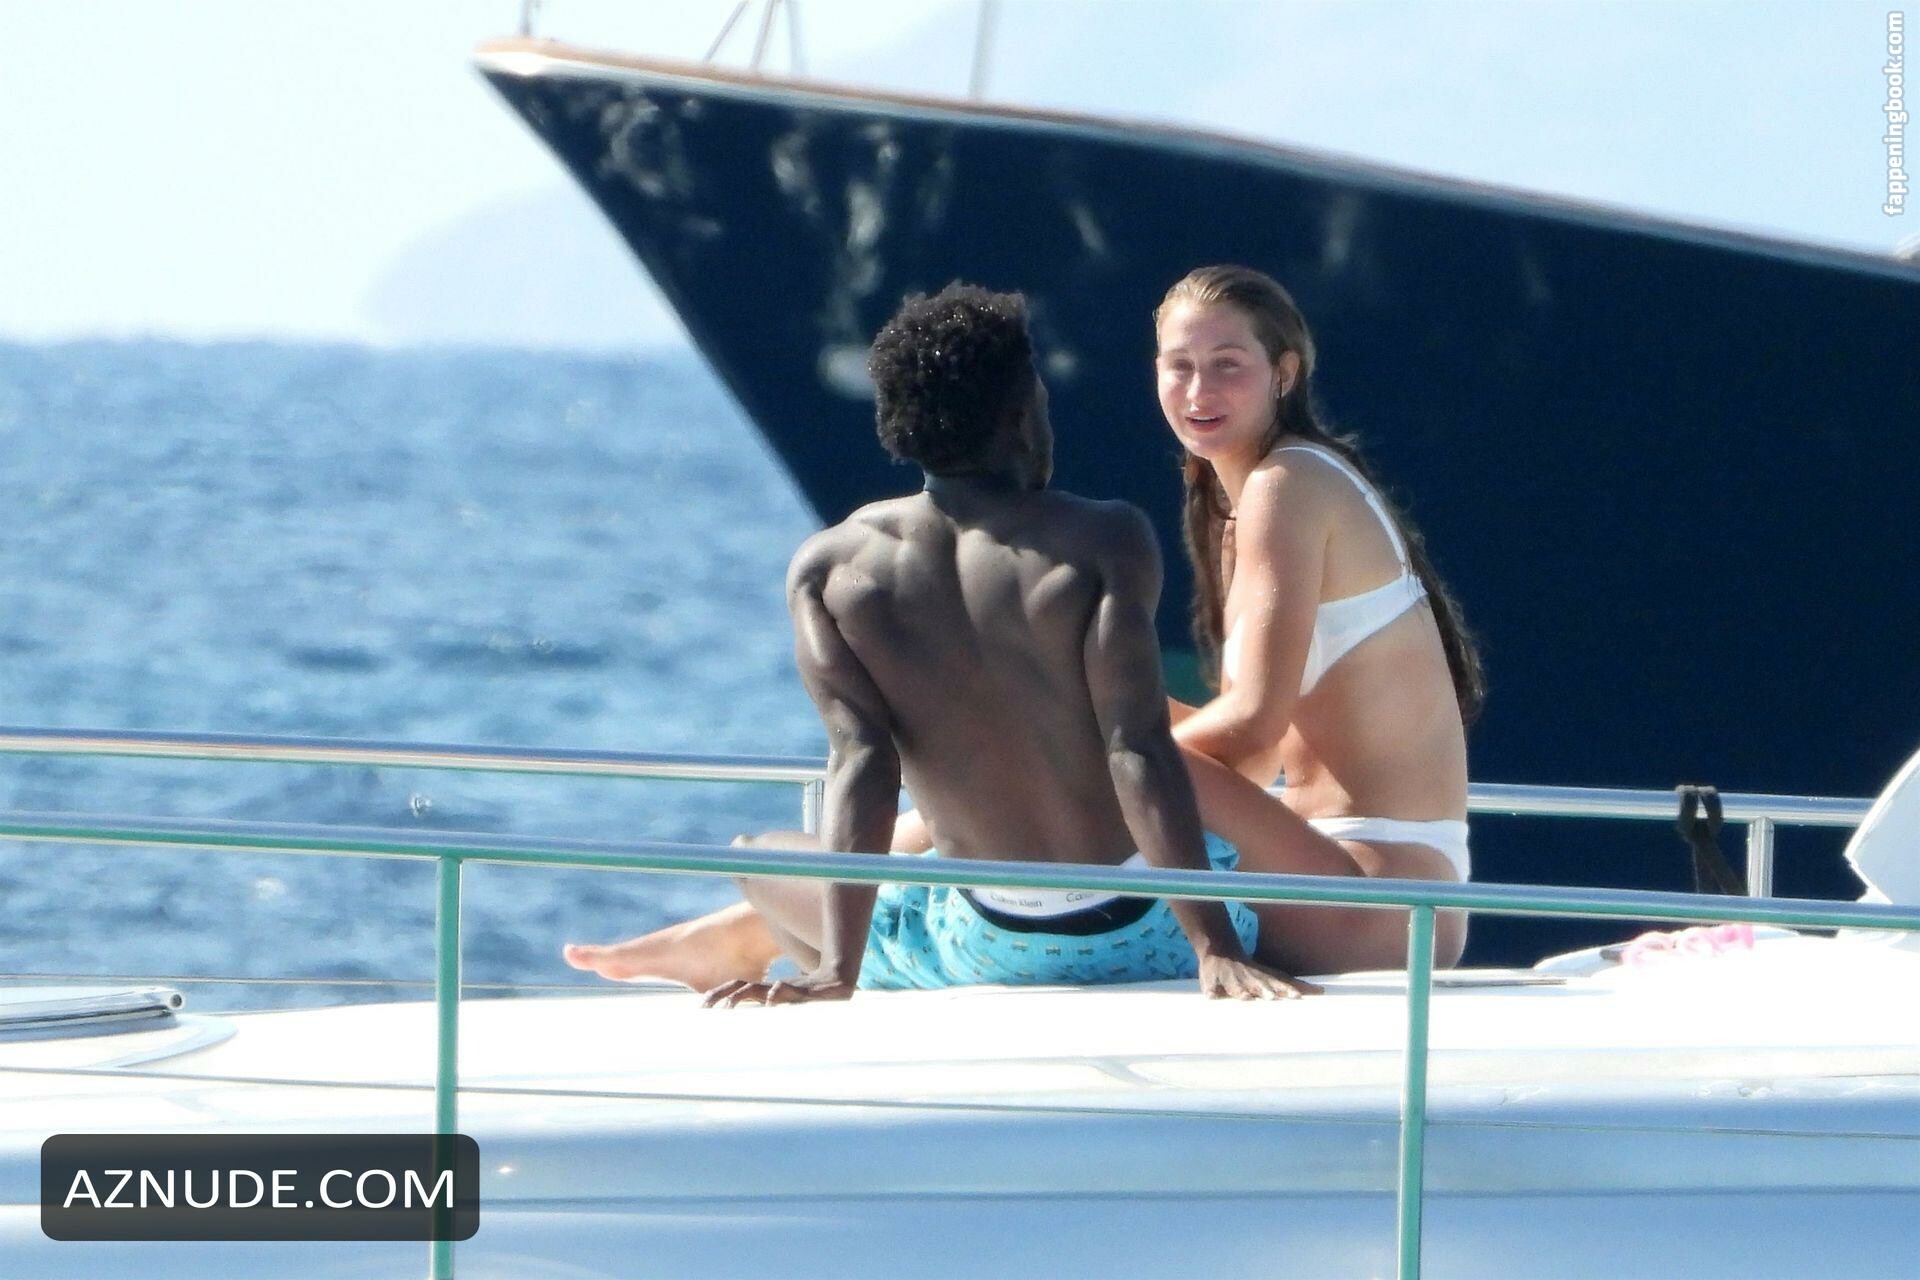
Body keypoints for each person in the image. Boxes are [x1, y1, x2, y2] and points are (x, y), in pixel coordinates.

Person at [568, 283, 1316, 1003]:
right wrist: (1214, 948)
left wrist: (837, 971)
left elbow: (863, 768)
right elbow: (1137, 749)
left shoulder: (829, 568)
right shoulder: (1105, 537)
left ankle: (784, 951)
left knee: (755, 856)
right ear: (1021, 418)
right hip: (1151, 932)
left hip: (991, 945)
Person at [1146, 264, 1485, 972]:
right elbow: (1255, 759)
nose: (1199, 391)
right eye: (1180, 366)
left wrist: (1102, 750)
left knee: (1074, 747)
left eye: (1227, 365)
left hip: (1378, 898)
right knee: (1079, 727)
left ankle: (907, 857)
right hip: (1363, 890)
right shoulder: (1252, 504)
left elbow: (1252, 723)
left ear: (1284, 373)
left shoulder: (1288, 484)